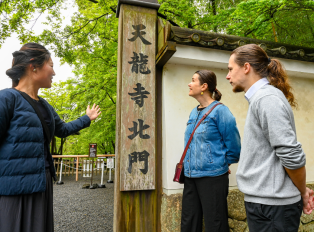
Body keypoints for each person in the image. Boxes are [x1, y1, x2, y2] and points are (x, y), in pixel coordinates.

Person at [0, 42, 101, 232]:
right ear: (34, 66)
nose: (54, 72)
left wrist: (86, 119)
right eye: (51, 65)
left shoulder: (45, 106)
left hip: (42, 180)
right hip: (13, 188)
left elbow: (62, 130)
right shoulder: (7, 98)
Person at [226, 44, 314, 232]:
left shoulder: (267, 99)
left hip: (273, 209)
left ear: (246, 67)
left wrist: (302, 192)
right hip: (267, 206)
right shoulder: (261, 98)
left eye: (230, 69)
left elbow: (291, 155)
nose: (227, 76)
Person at [181, 70, 241, 232]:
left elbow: (234, 147)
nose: (189, 83)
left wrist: (221, 163)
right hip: (190, 175)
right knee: (189, 222)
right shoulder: (194, 111)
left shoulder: (221, 112)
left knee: (215, 223)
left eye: (193, 80)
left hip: (213, 177)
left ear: (204, 86)